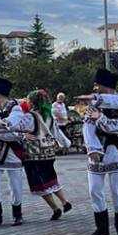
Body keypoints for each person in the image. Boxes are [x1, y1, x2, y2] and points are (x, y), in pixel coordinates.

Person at [82, 68, 118, 235]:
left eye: (98, 85)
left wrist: (101, 119)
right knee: (94, 190)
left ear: (108, 87)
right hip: (97, 152)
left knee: (116, 192)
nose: (95, 88)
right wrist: (93, 148)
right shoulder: (93, 105)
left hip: (115, 150)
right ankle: (101, 229)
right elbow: (87, 127)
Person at [0, 77, 31, 228]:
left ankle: (17, 214)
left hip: (13, 151)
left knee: (16, 185)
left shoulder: (15, 108)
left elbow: (14, 129)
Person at [21, 89, 73, 220]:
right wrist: (66, 143)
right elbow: (56, 132)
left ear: (32, 102)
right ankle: (65, 202)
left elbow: (20, 130)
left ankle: (55, 209)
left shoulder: (30, 116)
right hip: (49, 152)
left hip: (33, 154)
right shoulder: (49, 115)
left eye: (28, 100)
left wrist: (22, 135)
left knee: (38, 183)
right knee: (51, 178)